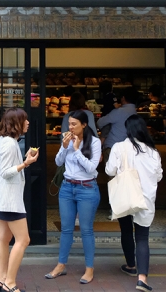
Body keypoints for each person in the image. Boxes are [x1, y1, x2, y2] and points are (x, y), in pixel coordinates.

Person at [105, 115, 163, 292]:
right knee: (142, 237)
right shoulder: (153, 152)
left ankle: (131, 265)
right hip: (145, 199)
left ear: (127, 129)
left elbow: (109, 170)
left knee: (126, 231)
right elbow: (159, 175)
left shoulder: (119, 147)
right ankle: (142, 278)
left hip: (126, 196)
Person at [46, 110, 101, 285]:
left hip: (87, 188)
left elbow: (92, 168)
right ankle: (61, 265)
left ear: (84, 125)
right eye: (69, 124)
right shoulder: (68, 140)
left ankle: (89, 269)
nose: (70, 127)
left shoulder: (95, 142)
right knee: (66, 229)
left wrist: (77, 150)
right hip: (67, 187)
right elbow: (58, 162)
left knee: (86, 230)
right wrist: (64, 146)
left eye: (74, 124)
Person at [0, 107, 38, 292]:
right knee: (23, 239)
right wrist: (25, 164)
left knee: (4, 238)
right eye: (24, 120)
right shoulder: (10, 144)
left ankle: (1, 280)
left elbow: (3, 168)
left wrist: (23, 160)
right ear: (16, 123)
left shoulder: (6, 141)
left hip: (3, 198)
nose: (28, 123)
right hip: (10, 201)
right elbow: (5, 172)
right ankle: (9, 283)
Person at [97, 87, 139, 161]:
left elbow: (100, 122)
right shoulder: (136, 113)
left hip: (113, 148)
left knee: (112, 172)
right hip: (131, 149)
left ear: (123, 98)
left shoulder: (118, 112)